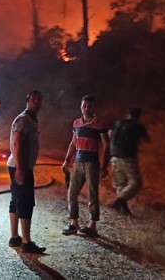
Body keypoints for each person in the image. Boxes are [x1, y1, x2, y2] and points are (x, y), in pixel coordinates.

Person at [61, 95, 110, 237]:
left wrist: (104, 167)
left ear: (94, 108)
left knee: (92, 195)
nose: (87, 108)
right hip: (78, 162)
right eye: (84, 106)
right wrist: (66, 160)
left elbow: (106, 146)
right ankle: (74, 223)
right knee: (72, 192)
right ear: (81, 107)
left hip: (92, 163)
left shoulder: (99, 124)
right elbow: (73, 143)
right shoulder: (76, 123)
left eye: (90, 106)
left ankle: (92, 225)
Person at [7, 90, 46, 254]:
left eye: (39, 99)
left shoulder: (30, 119)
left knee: (16, 200)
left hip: (17, 165)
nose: (37, 102)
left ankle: (15, 237)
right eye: (33, 99)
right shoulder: (24, 120)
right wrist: (21, 169)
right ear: (27, 101)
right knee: (26, 202)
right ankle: (26, 242)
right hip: (20, 167)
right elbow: (18, 144)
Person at [108, 107, 150, 215]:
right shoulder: (138, 126)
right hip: (127, 157)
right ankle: (117, 202)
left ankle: (123, 209)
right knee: (136, 183)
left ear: (127, 114)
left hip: (114, 156)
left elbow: (109, 134)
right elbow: (147, 140)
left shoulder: (117, 123)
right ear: (138, 116)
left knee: (121, 184)